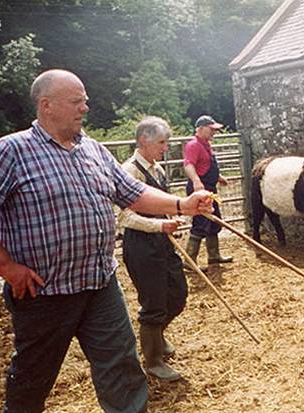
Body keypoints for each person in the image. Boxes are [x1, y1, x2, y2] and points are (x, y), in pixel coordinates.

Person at [0, 69, 213, 413]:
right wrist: (5, 266)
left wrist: (183, 204)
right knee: (33, 380)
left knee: (122, 368)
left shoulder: (93, 149)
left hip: (100, 284)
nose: (85, 108)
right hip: (43, 292)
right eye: (77, 101)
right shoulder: (11, 151)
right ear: (46, 106)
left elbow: (133, 193)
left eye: (85, 101)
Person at [119, 116, 186, 381]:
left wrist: (170, 219)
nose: (166, 147)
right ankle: (154, 360)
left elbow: (160, 205)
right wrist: (159, 227)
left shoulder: (157, 169)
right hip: (140, 245)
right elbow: (123, 218)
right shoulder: (129, 171)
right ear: (143, 141)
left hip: (162, 241)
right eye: (161, 142)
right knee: (154, 303)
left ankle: (156, 336)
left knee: (178, 293)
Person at [183, 115, 233, 268]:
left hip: (210, 189)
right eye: (211, 129)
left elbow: (204, 165)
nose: (214, 132)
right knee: (201, 222)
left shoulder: (206, 145)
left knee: (214, 221)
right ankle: (189, 261)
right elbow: (189, 165)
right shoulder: (193, 145)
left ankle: (214, 255)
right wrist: (197, 182)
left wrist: (218, 177)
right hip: (200, 189)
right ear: (201, 128)